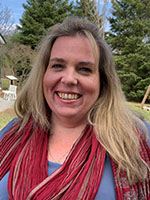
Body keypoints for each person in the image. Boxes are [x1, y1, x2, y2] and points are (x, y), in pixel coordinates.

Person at [0, 16, 150, 200]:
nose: (69, 79)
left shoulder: (136, 138)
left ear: (102, 81)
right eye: (58, 66)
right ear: (44, 73)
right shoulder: (12, 134)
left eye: (84, 69)